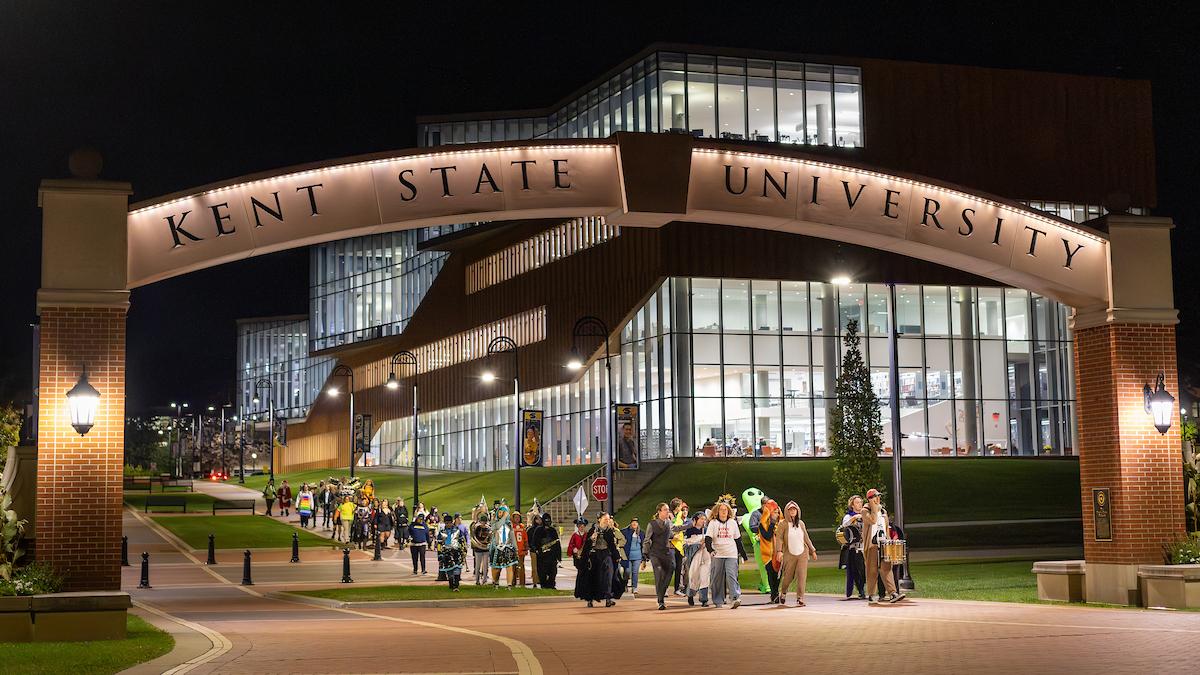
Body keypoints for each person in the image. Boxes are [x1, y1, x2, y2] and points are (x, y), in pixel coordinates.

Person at [862, 488, 905, 604]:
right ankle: (871, 594)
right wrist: (874, 508)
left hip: (884, 544)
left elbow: (886, 529)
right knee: (872, 570)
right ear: (870, 499)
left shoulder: (883, 511)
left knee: (887, 568)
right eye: (875, 496)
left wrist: (889, 543)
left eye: (878, 496)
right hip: (872, 544)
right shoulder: (865, 511)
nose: (878, 498)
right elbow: (872, 520)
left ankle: (893, 593)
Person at [775, 500, 817, 606]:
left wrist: (812, 550)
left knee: (802, 576)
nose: (793, 511)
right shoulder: (783, 524)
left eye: (794, 509)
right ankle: (783, 592)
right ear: (787, 511)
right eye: (790, 510)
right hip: (789, 554)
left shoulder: (801, 523)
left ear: (798, 511)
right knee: (788, 577)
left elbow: (806, 538)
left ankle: (800, 598)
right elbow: (779, 538)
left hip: (802, 553)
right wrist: (779, 551)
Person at [642, 502, 683, 610]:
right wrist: (644, 557)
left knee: (671, 568)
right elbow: (646, 540)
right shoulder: (652, 524)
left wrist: (690, 525)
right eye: (665, 509)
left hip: (666, 552)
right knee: (659, 573)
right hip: (655, 553)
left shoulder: (668, 522)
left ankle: (662, 593)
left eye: (668, 510)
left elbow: (673, 531)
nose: (667, 511)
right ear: (659, 511)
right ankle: (661, 601)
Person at [576, 513, 621, 608]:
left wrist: (617, 556)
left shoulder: (609, 531)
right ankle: (590, 599)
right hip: (595, 556)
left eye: (608, 519)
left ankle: (608, 598)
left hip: (606, 554)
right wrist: (591, 538)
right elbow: (587, 545)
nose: (607, 521)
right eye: (605, 519)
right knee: (593, 577)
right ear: (599, 519)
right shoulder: (593, 530)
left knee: (608, 576)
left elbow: (612, 545)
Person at [705, 498, 742, 609]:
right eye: (721, 509)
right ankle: (718, 600)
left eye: (725, 509)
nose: (723, 511)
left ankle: (735, 598)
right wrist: (710, 550)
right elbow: (708, 539)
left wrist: (743, 554)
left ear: (728, 511)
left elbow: (738, 540)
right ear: (717, 511)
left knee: (731, 575)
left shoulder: (732, 523)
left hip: (731, 553)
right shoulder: (713, 523)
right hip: (718, 554)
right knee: (717, 578)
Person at [754, 499, 783, 603]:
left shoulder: (782, 523)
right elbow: (767, 536)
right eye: (774, 512)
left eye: (777, 512)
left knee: (779, 574)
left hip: (780, 552)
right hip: (768, 554)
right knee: (771, 574)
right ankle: (774, 594)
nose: (776, 514)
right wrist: (772, 523)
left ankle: (776, 593)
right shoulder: (763, 524)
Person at [839, 495, 866, 600]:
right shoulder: (848, 516)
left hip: (865, 546)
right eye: (857, 502)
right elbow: (844, 526)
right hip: (855, 548)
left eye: (861, 502)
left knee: (864, 570)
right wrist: (854, 518)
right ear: (852, 505)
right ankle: (861, 590)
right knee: (857, 570)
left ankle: (863, 588)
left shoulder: (865, 515)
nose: (860, 504)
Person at [684, 512, 711, 607]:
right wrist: (698, 544)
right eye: (701, 519)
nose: (703, 521)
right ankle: (690, 595)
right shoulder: (689, 531)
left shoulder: (707, 530)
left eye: (704, 519)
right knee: (693, 576)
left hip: (706, 556)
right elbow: (686, 545)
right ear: (696, 519)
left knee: (705, 576)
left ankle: (704, 599)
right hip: (695, 556)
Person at [489, 505, 518, 587]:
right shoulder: (494, 522)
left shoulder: (509, 524)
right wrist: (504, 517)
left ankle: (509, 585)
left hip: (507, 547)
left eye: (503, 512)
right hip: (497, 548)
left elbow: (512, 536)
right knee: (497, 569)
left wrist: (516, 548)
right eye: (500, 512)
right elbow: (497, 526)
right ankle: (495, 582)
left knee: (509, 567)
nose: (501, 514)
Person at [437, 513, 465, 591]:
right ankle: (451, 583)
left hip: (456, 551)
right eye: (446, 523)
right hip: (446, 552)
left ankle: (456, 585)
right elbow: (439, 543)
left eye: (449, 523)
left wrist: (463, 551)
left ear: (452, 522)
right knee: (449, 569)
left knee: (457, 568)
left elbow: (462, 541)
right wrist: (439, 554)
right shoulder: (441, 532)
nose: (448, 524)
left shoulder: (457, 530)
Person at [532, 513, 561, 589]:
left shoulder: (553, 530)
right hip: (542, 556)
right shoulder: (538, 530)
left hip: (552, 556)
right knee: (542, 572)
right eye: (546, 520)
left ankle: (551, 585)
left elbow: (557, 543)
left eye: (549, 520)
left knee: (552, 572)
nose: (547, 522)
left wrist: (558, 556)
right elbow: (535, 542)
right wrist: (537, 550)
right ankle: (543, 585)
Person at [620, 517, 643, 597]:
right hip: (627, 556)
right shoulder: (625, 532)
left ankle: (634, 587)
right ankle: (625, 584)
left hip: (637, 556)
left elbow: (643, 544)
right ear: (630, 523)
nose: (634, 523)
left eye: (636, 522)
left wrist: (644, 558)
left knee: (635, 572)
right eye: (633, 522)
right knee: (627, 571)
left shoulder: (641, 533)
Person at [670, 499, 688, 595]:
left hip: (679, 544)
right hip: (670, 545)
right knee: (671, 566)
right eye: (680, 506)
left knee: (678, 567)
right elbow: (669, 528)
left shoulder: (679, 516)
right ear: (677, 506)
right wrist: (672, 536)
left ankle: (677, 588)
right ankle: (664, 588)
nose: (681, 508)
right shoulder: (669, 515)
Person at [470, 512, 491, 585]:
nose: (483, 523)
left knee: (485, 565)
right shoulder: (477, 528)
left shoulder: (488, 528)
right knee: (478, 565)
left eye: (484, 521)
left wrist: (486, 543)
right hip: (478, 549)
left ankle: (484, 580)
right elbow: (474, 537)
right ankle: (477, 580)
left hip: (486, 549)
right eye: (482, 521)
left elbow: (490, 538)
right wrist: (478, 544)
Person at [511, 510, 528, 587]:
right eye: (515, 517)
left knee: (521, 567)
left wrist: (526, 548)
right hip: (513, 551)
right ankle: (512, 582)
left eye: (518, 517)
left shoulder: (522, 527)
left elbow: (525, 539)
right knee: (513, 567)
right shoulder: (511, 527)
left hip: (521, 550)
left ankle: (522, 583)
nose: (517, 519)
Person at [528, 513, 543, 587]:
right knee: (534, 567)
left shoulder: (543, 529)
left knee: (541, 566)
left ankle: (540, 579)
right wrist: (531, 547)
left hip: (541, 550)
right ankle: (535, 581)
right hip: (533, 550)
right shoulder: (531, 529)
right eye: (538, 519)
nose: (540, 520)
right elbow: (528, 540)